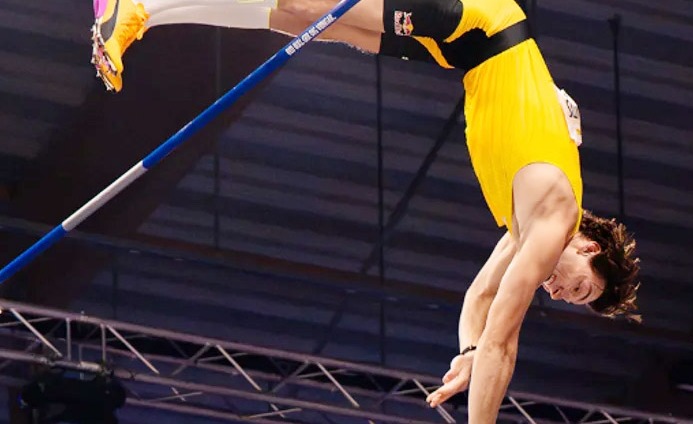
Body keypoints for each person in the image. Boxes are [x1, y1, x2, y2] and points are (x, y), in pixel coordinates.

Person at [90, 0, 641, 421]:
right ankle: (136, 6)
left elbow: (478, 300)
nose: (560, 295)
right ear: (589, 248)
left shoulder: (525, 232)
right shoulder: (554, 219)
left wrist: (468, 352)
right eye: (580, 288)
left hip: (468, 52)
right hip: (485, 23)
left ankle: (145, 13)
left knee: (313, 25)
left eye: (571, 299)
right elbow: (504, 337)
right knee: (313, 5)